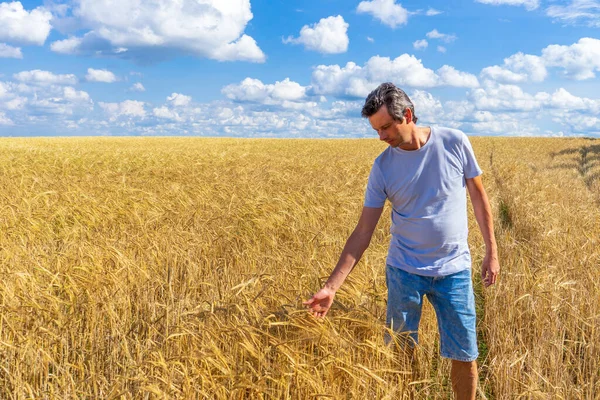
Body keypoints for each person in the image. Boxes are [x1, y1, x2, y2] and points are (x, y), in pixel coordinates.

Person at [303, 82, 499, 400]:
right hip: (404, 271)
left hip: (455, 270)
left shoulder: (455, 142)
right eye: (376, 130)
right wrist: (331, 287)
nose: (381, 137)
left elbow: (478, 195)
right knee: (401, 354)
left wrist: (492, 251)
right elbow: (363, 232)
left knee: (465, 354)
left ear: (407, 115)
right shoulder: (383, 167)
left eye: (385, 127)